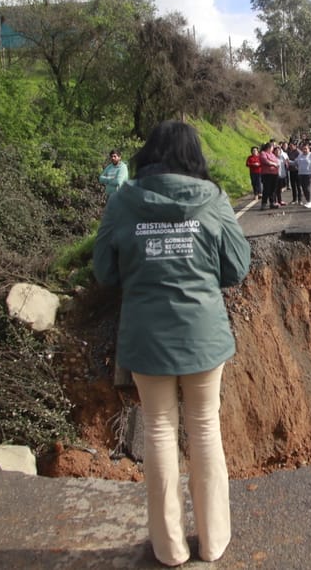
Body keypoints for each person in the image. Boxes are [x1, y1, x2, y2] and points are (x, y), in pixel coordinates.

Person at [93, 120, 251, 566]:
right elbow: (237, 267)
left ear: (148, 153)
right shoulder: (213, 198)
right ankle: (214, 541)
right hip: (203, 334)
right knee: (205, 427)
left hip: (146, 335)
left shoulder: (124, 201)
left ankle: (169, 548)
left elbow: (104, 271)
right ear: (193, 155)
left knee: (159, 431)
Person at [294, 143, 311, 209]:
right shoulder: (300, 155)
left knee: (307, 187)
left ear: (308, 149)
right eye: (303, 149)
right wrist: (287, 161)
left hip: (309, 174)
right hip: (301, 174)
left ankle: (309, 202)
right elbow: (295, 162)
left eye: (306, 149)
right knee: (303, 188)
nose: (304, 150)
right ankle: (308, 201)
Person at [258, 142, 280, 210]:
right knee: (266, 189)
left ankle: (272, 203)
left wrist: (276, 164)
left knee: (273, 189)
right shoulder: (263, 153)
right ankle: (264, 204)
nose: (273, 149)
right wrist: (273, 164)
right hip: (267, 174)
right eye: (272, 147)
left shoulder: (272, 155)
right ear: (269, 147)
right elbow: (265, 161)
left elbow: (277, 161)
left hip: (274, 174)